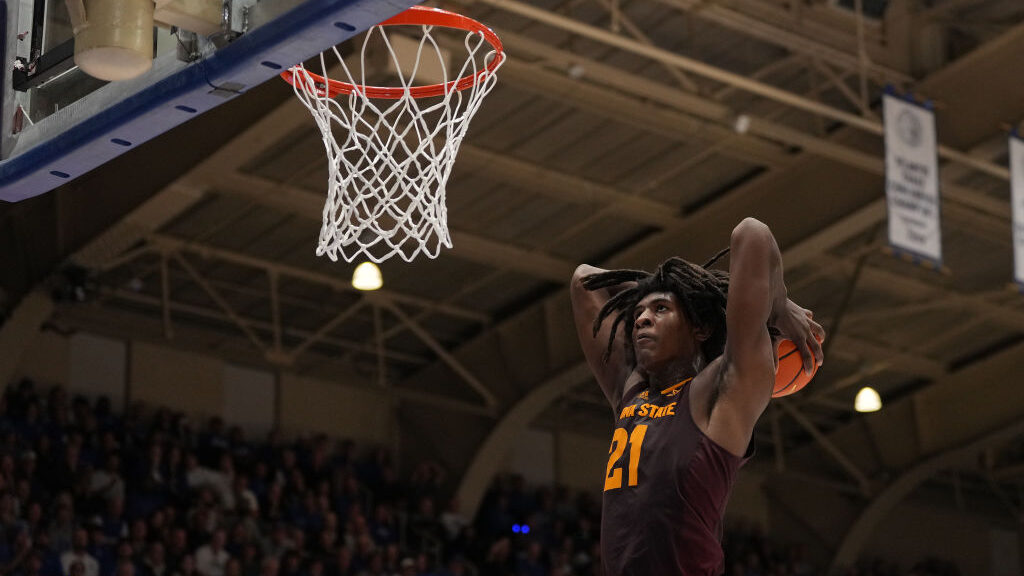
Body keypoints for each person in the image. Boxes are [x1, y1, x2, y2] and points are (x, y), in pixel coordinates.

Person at [570, 218, 825, 575]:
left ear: (700, 328)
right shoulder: (629, 394)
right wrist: (664, 289)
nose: (642, 318)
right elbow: (584, 280)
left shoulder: (723, 392)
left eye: (660, 310)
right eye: (638, 312)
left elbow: (751, 232)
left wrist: (777, 302)